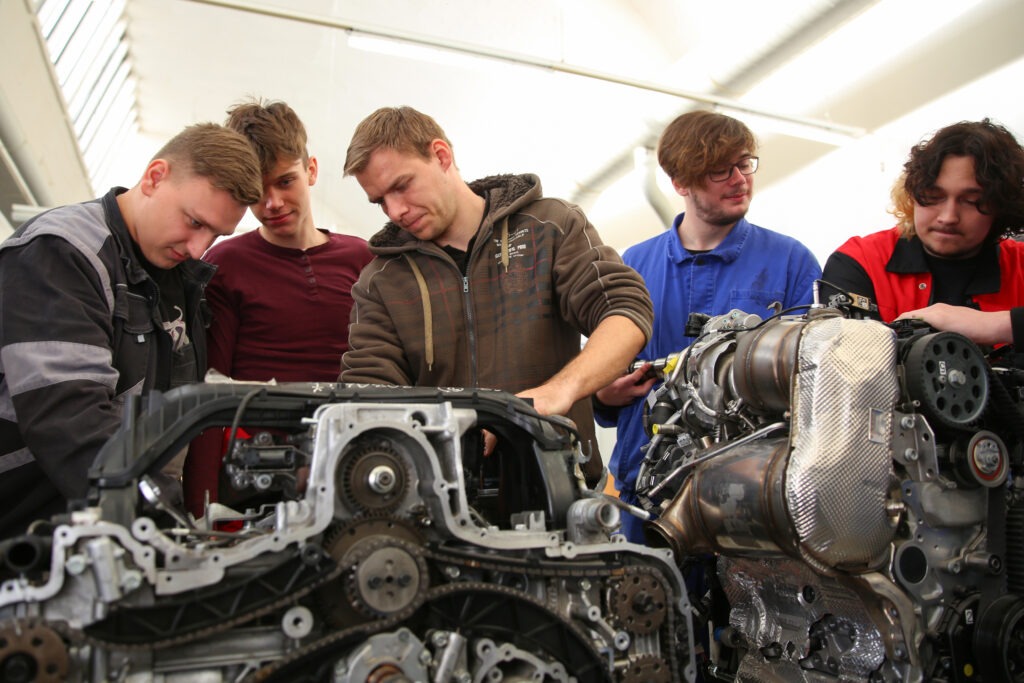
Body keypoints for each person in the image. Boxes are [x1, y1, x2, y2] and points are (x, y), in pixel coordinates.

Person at [339, 106, 654, 485]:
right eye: (380, 201)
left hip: (561, 485)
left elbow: (624, 310)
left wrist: (557, 392)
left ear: (441, 155)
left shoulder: (550, 226)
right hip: (442, 498)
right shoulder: (381, 280)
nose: (395, 211)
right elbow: (369, 387)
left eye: (401, 186)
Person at [0, 123, 262, 538]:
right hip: (23, 525)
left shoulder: (177, 279)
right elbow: (70, 419)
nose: (199, 248)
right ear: (155, 177)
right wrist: (158, 522)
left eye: (216, 234)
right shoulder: (60, 252)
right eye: (195, 222)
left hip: (97, 529)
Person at [593, 110, 821, 542]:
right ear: (681, 182)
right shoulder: (632, 266)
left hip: (749, 493)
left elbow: (813, 382)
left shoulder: (791, 262)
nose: (740, 180)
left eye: (745, 164)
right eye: (720, 171)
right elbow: (602, 376)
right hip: (644, 490)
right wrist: (604, 394)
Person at [182, 99, 373, 516]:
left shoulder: (364, 259)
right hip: (259, 477)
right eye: (258, 190)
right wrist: (201, 511)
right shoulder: (223, 265)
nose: (272, 203)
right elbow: (208, 393)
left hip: (362, 465)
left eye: (286, 181)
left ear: (312, 170)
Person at [823, 118, 1024, 347]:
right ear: (912, 193)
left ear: (1001, 207)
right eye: (933, 196)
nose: (948, 217)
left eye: (971, 201)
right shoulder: (861, 261)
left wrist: (1000, 325)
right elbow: (840, 359)